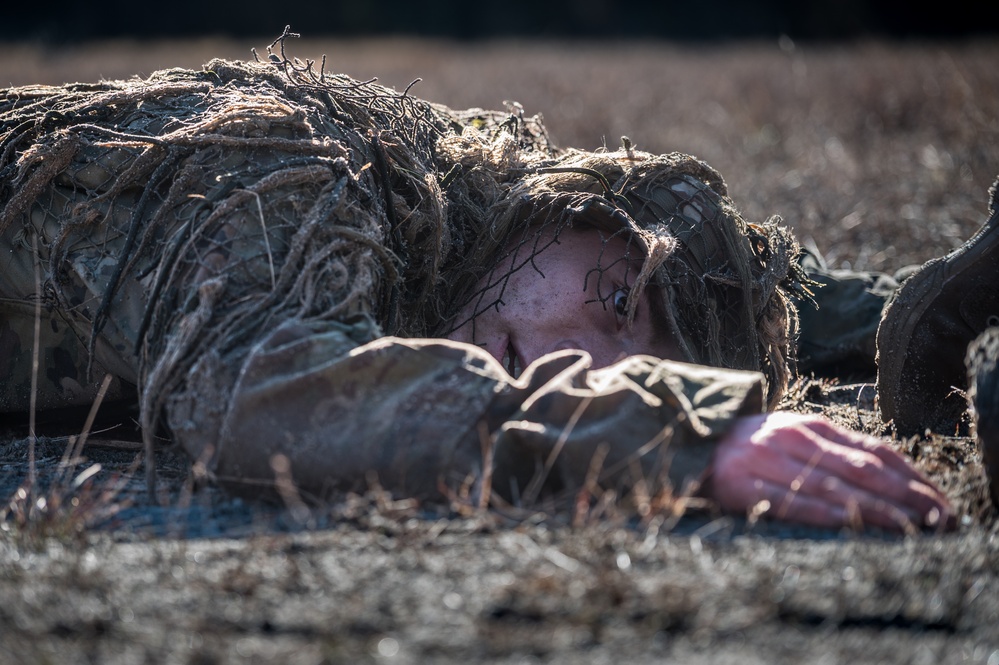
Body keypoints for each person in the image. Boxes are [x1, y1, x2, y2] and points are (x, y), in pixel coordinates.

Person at [0, 44, 960, 532]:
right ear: (557, 201)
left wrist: (924, 313)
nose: (584, 363)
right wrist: (680, 431)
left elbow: (785, 287)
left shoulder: (466, 245)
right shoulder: (302, 164)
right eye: (621, 303)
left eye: (637, 369)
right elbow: (259, 388)